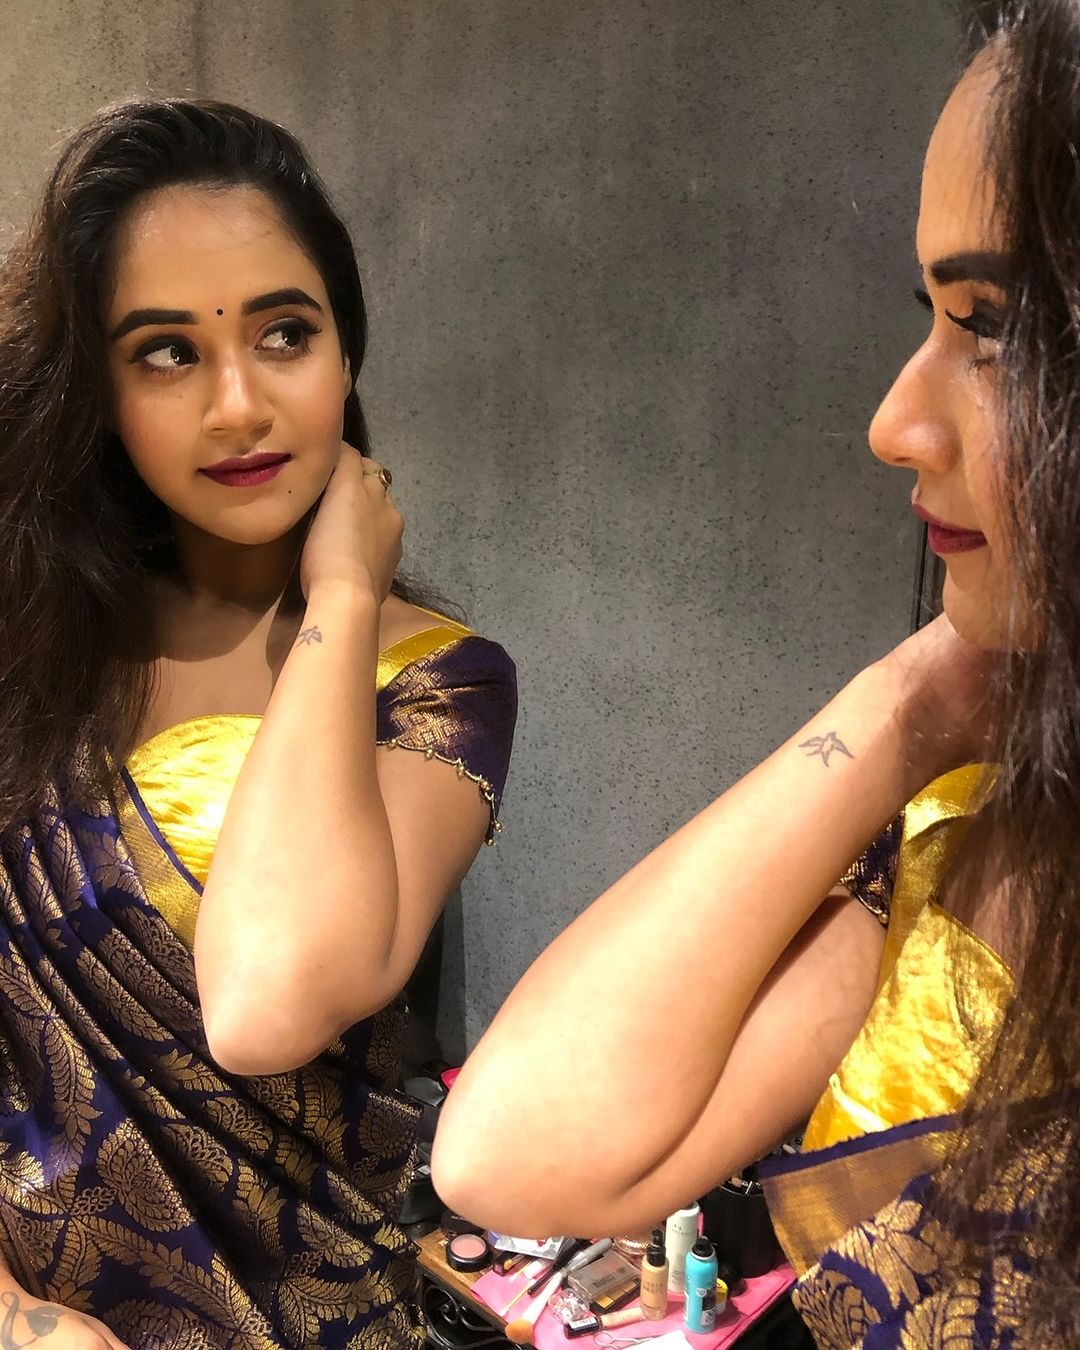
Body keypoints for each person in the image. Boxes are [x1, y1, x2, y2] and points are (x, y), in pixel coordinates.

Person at [432, 3, 1078, 1344]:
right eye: (931, 316)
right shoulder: (975, 816)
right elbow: (510, 1150)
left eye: (996, 329)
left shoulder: (438, 672)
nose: (893, 423)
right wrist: (911, 700)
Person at [0, 98, 516, 1349]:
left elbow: (270, 1004)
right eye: (166, 353)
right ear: (99, 392)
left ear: (347, 352)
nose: (238, 405)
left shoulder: (440, 682)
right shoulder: (36, 650)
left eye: (284, 334)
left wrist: (340, 598)